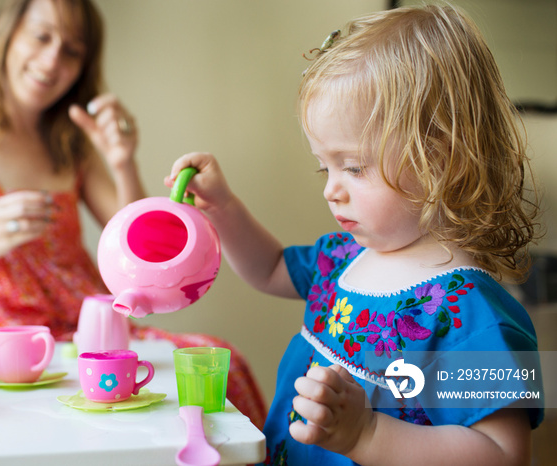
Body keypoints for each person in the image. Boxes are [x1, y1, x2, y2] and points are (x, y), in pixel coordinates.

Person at [165, 4, 543, 465]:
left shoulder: (472, 314)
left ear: (443, 159)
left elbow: (504, 454)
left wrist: (366, 435)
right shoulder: (344, 257)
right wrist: (223, 208)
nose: (330, 189)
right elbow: (269, 268)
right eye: (324, 166)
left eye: (354, 167)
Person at [0, 0, 266, 428]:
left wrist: (122, 160)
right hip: (5, 349)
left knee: (229, 369)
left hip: (91, 335)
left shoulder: (70, 147)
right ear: (7, 35)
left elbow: (144, 256)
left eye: (72, 50)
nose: (52, 59)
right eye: (41, 36)